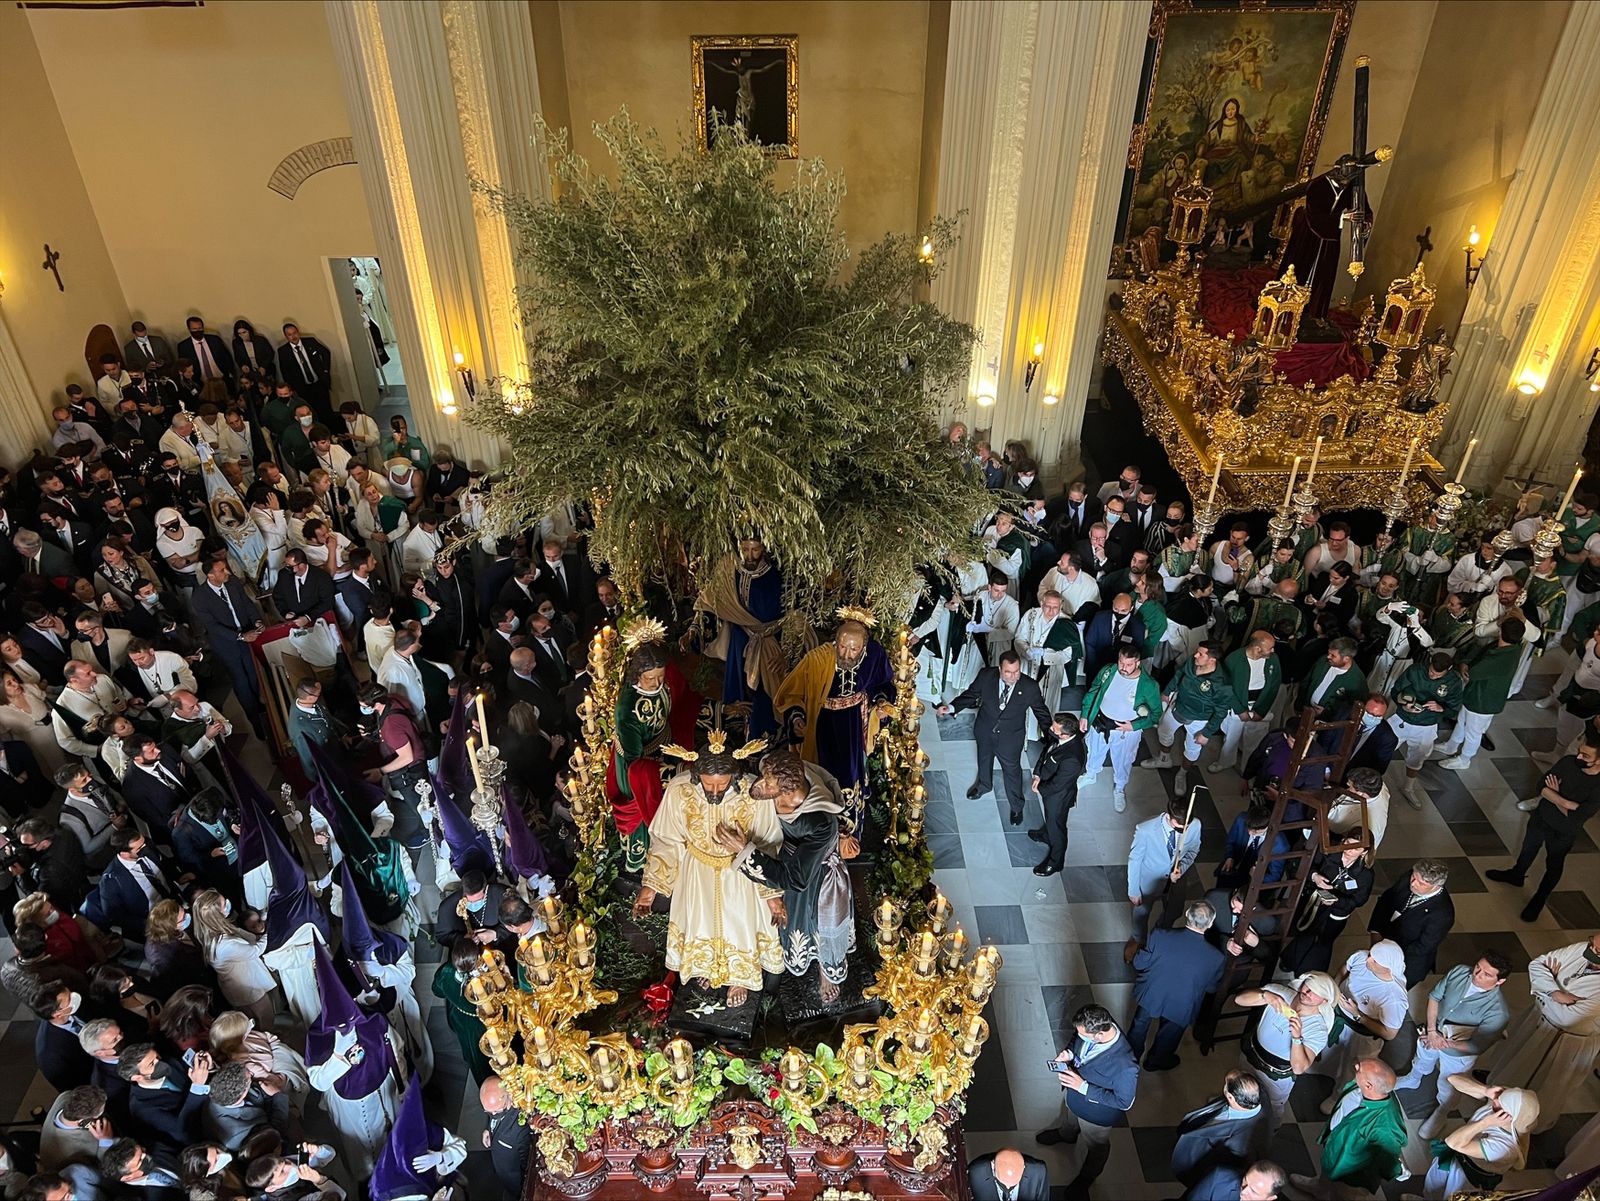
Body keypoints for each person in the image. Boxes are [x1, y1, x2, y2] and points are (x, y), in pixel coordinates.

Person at [634, 736, 783, 1008]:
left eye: (722, 784)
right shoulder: (680, 790)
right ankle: (708, 966)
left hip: (739, 873)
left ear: (734, 776)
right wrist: (650, 889)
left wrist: (771, 895)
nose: (714, 790)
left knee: (739, 923)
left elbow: (768, 841)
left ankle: (739, 976)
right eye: (708, 782)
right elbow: (668, 839)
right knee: (700, 919)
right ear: (696, 774)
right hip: (697, 869)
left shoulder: (752, 792)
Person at [724, 751, 854, 1002]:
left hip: (812, 876)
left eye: (768, 784)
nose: (761, 785)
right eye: (764, 777)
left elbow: (796, 878)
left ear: (787, 793)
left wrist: (745, 851)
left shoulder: (819, 822)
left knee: (812, 921)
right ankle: (746, 960)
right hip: (776, 855)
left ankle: (824, 966)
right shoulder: (786, 769)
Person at [775, 615, 895, 840]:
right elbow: (793, 693)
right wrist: (798, 718)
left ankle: (849, 829)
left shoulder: (875, 655)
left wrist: (881, 701)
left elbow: (884, 683)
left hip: (854, 724)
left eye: (853, 649)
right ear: (835, 641)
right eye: (842, 646)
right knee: (820, 770)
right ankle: (820, 828)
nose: (846, 654)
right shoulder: (817, 659)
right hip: (823, 724)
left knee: (851, 773)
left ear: (864, 647)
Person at [1486, 934, 1600, 1132]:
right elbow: (1537, 964)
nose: (1590, 949)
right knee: (1515, 1059)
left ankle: (1524, 1126)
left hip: (1565, 1041)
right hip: (1539, 1022)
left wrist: (1546, 984)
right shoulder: (1585, 949)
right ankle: (1496, 1096)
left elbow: (1568, 1018)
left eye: (1597, 951)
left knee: (1545, 1085)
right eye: (1593, 943)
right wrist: (1555, 993)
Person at [1398, 952, 1513, 1137]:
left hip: (1458, 1051)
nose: (1477, 974)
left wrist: (1444, 1043)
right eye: (1478, 967)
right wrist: (1432, 1031)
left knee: (1448, 1084)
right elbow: (1435, 997)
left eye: (1487, 974)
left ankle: (1442, 1112)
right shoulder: (1460, 971)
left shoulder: (1498, 1012)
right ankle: (1413, 1079)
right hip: (1433, 1031)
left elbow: (1476, 1046)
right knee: (1422, 1058)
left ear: (1500, 981)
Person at [1486, 732, 1600, 919]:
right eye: (1580, 752)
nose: (1579, 757)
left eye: (1585, 756)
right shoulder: (1568, 762)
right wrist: (1566, 802)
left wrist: (1554, 795)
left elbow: (1578, 815)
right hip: (1541, 816)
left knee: (1554, 864)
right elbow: (1541, 786)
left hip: (1563, 830)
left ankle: (1540, 898)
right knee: (1528, 848)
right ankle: (1517, 875)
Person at [940, 651, 1054, 826]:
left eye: (1016, 671)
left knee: (1012, 771)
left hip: (1011, 738)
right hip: (985, 730)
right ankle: (984, 785)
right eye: (1008, 672)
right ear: (1000, 669)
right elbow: (970, 694)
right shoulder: (986, 676)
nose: (1013, 676)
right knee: (984, 759)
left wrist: (1052, 735)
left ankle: (1016, 806)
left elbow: (1041, 712)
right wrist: (952, 707)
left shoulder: (1029, 687)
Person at [1034, 1004, 1138, 1193]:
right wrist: (1069, 1053)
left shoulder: (1126, 1066)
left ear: (1099, 1034)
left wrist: (1083, 1087)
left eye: (1083, 1034)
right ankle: (1066, 1135)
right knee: (1069, 1118)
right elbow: (1077, 1040)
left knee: (1097, 1146)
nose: (1078, 1035)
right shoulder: (1097, 1024)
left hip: (1096, 1114)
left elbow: (1125, 1102)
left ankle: (1086, 1177)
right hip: (1074, 1098)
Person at [1129, 900, 1225, 1071]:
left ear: (1187, 914)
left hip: (1153, 993)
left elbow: (1139, 963)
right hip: (1183, 1002)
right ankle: (1155, 1061)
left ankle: (1131, 1059)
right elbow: (1211, 987)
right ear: (1210, 924)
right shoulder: (1216, 957)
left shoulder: (1160, 935)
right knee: (1169, 1035)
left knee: (1139, 1026)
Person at [1290, 1059, 1406, 1198]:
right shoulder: (1362, 1088)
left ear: (1369, 1085)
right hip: (1336, 1151)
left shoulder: (1385, 1126)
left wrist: (1398, 1171)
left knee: (1344, 1195)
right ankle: (1320, 1188)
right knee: (1327, 1176)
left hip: (1352, 1174)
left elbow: (1389, 1159)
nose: (1355, 1066)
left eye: (1359, 1069)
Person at [1233, 973, 1338, 1124]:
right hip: (1251, 1054)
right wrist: (1265, 995)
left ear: (1324, 1001)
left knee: (1271, 1107)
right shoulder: (1280, 994)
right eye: (1307, 987)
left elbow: (1299, 1067)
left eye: (1315, 993)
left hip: (1275, 1075)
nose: (1307, 993)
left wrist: (1297, 1037)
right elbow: (1239, 1000)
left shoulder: (1318, 1029)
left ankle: (1267, 1132)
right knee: (1241, 1087)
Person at [1319, 941, 1409, 1114]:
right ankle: (1323, 1070)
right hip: (1339, 1016)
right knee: (1331, 1051)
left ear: (1388, 967)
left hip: (1362, 1034)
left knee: (1352, 1068)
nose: (1368, 960)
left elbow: (1389, 1033)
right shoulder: (1362, 957)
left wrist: (1358, 1014)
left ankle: (1337, 1097)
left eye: (1375, 960)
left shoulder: (1395, 998)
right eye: (1371, 956)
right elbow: (1345, 969)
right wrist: (1335, 991)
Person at [1421, 1076, 1540, 1199]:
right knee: (1433, 1187)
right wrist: (1485, 1090)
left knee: (1450, 1197)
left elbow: (1453, 1142)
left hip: (1468, 1175)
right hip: (1457, 1155)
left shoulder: (1505, 1147)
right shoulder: (1501, 1103)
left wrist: (1485, 1123)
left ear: (1510, 1116)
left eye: (1501, 1102)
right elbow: (1452, 1079)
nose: (1495, 1100)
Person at [1079, 644, 1161, 813]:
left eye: (1128, 664)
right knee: (1094, 751)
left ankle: (1119, 788)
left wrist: (1135, 725)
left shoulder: (1148, 685)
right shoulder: (1109, 670)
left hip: (1126, 729)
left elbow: (1156, 714)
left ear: (1137, 663)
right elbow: (1094, 690)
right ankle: (1091, 774)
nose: (1123, 668)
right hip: (1101, 721)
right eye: (1121, 662)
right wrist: (1085, 714)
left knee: (1123, 760)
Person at [1433, 617, 1524, 769]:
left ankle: (1464, 759)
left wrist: (1464, 666)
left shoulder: (1501, 657)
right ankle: (1452, 745)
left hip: (1484, 701)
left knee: (1473, 732)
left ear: (1501, 632)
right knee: (1462, 721)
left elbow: (1472, 673)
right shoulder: (1510, 648)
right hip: (1476, 696)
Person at [1142, 642, 1232, 795]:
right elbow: (1178, 675)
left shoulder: (1221, 683)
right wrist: (1166, 692)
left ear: (1212, 660)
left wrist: (1207, 733)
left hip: (1199, 719)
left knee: (1192, 749)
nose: (1195, 655)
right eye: (1197, 652)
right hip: (1178, 706)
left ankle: (1182, 773)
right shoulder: (1192, 661)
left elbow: (1221, 711)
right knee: (1164, 732)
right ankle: (1164, 759)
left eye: (1201, 654)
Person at [1169, 1070, 1270, 1197]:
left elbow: (1216, 1173)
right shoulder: (1257, 1096)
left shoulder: (1239, 1146)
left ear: (1230, 1097)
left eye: (1225, 1085)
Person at [1126, 796, 1201, 953]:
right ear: (1169, 816)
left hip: (1176, 880)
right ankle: (1138, 939)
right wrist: (1133, 889)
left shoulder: (1195, 825)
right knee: (1142, 913)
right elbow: (1135, 860)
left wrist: (1182, 868)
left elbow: (1193, 849)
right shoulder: (1145, 830)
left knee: (1174, 911)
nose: (1184, 830)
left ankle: (1158, 937)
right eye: (1179, 827)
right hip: (1150, 880)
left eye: (1186, 826)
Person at [1390, 651, 1463, 808]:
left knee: (1417, 758)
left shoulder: (1454, 682)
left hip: (1427, 725)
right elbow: (1396, 691)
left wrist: (1440, 708)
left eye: (1437, 676)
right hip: (1402, 719)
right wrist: (1404, 704)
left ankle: (1408, 787)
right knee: (1380, 748)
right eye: (1431, 672)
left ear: (1449, 669)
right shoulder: (1415, 670)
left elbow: (1453, 709)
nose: (1432, 676)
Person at [1366, 859, 1454, 987]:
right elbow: (1386, 901)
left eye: (1421, 883)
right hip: (1383, 943)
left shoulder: (1442, 915)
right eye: (1413, 877)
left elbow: (1422, 947)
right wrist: (1375, 931)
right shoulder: (1409, 878)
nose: (1413, 884)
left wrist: (1386, 955)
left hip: (1406, 961)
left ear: (1436, 886)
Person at [1213, 632, 1280, 776]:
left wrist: (1261, 711)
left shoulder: (1273, 660)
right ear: (1257, 648)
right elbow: (1226, 687)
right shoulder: (1234, 659)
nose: (1273, 651)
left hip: (1259, 705)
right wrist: (1239, 709)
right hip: (1238, 706)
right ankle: (1225, 761)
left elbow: (1274, 686)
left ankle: (1247, 770)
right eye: (1270, 648)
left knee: (1254, 742)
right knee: (1231, 737)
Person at [1028, 716, 1086, 877]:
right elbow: (1047, 752)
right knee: (1051, 820)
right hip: (1050, 788)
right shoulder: (1060, 738)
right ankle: (1046, 834)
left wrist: (1039, 787)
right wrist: (1038, 773)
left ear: (1065, 735)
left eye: (1054, 729)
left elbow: (1058, 785)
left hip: (1058, 797)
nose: (1050, 730)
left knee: (1057, 828)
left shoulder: (1072, 758)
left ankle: (1055, 862)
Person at [967, 1146, 1049, 1201]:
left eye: (1014, 1184)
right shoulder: (975, 1173)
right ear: (993, 1166)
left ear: (1024, 1167)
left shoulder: (1038, 1172)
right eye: (1002, 1182)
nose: (1008, 1188)